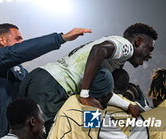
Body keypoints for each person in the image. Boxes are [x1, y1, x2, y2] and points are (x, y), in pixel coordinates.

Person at [19, 22, 158, 132]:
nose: (150, 55)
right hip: (55, 85)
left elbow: (105, 93)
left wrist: (127, 105)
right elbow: (98, 50)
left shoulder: (115, 60)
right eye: (149, 49)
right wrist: (85, 94)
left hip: (43, 78)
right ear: (138, 41)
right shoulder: (126, 46)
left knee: (21, 133)